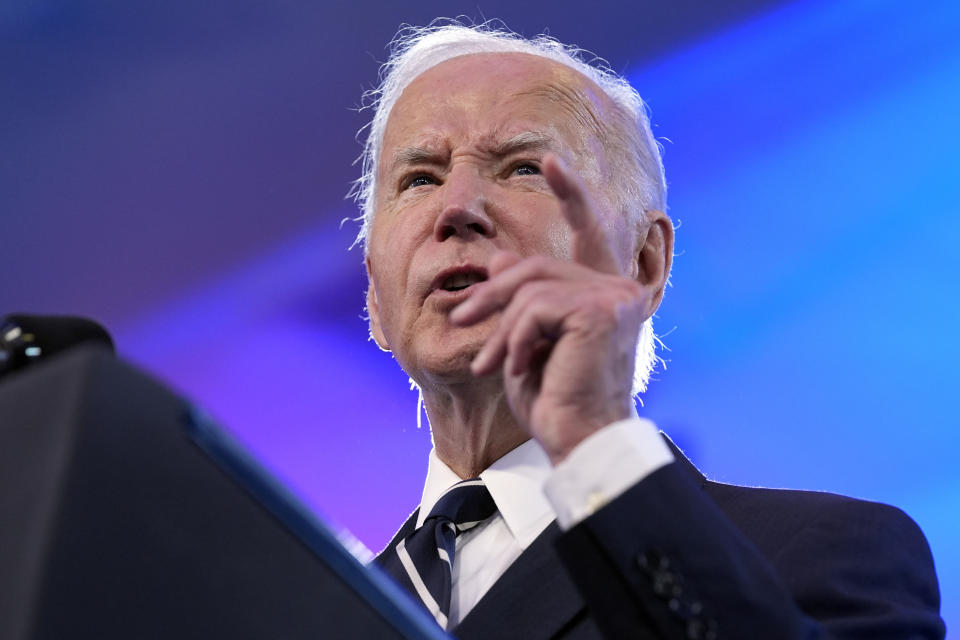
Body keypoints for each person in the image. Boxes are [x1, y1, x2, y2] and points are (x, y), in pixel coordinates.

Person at [355, 22, 944, 639]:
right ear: (374, 292)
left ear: (642, 264)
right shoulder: (300, 610)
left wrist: (592, 440)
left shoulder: (820, 552)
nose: (457, 209)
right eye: (420, 178)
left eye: (523, 168)